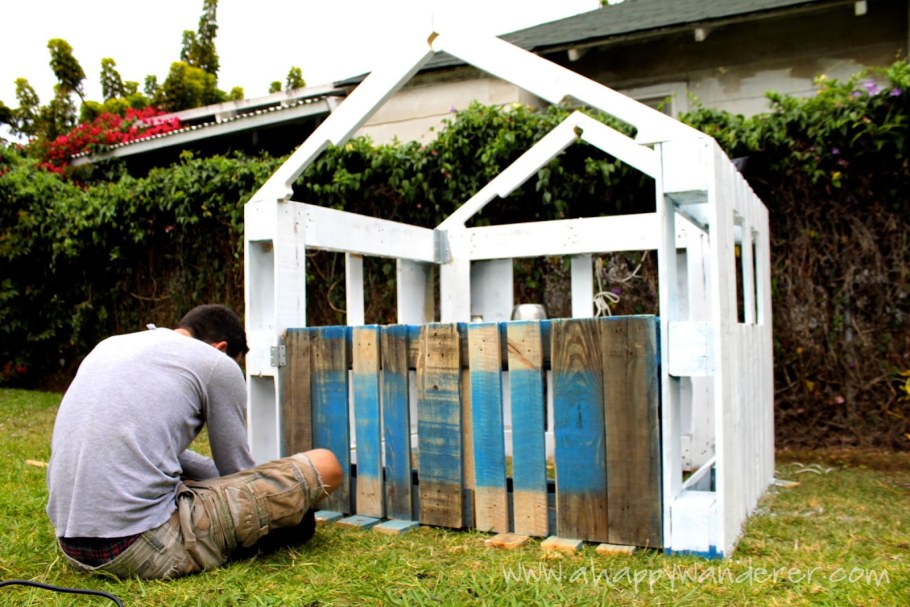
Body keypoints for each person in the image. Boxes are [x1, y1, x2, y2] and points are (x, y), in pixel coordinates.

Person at [46, 304, 342, 579]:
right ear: (221, 349)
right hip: (139, 544)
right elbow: (236, 474)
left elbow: (141, 446)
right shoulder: (216, 364)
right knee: (324, 465)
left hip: (71, 544)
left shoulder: (110, 345)